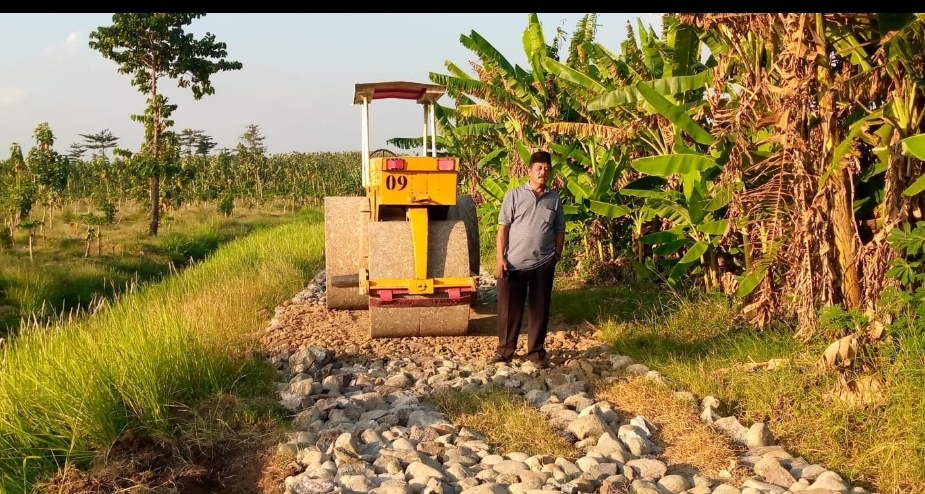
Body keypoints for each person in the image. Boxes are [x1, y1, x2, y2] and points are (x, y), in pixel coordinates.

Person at [492, 150, 565, 369]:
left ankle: (535, 352)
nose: (543, 172)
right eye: (539, 168)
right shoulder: (513, 195)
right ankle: (504, 351)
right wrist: (500, 258)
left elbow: (559, 229)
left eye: (546, 169)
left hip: (544, 262)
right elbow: (503, 229)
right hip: (513, 263)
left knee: (539, 309)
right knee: (508, 309)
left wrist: (557, 255)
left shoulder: (554, 199)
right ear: (529, 171)